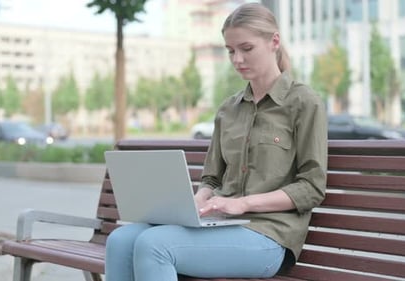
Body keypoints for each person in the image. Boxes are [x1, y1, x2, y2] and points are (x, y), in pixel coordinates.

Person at [104, 3, 328, 280]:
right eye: (230, 50)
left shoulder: (303, 103)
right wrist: (195, 203)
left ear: (274, 42)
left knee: (155, 246)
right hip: (219, 226)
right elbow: (211, 179)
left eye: (246, 48)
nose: (237, 59)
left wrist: (244, 203)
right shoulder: (229, 109)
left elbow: (311, 188)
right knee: (121, 240)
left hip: (269, 236)